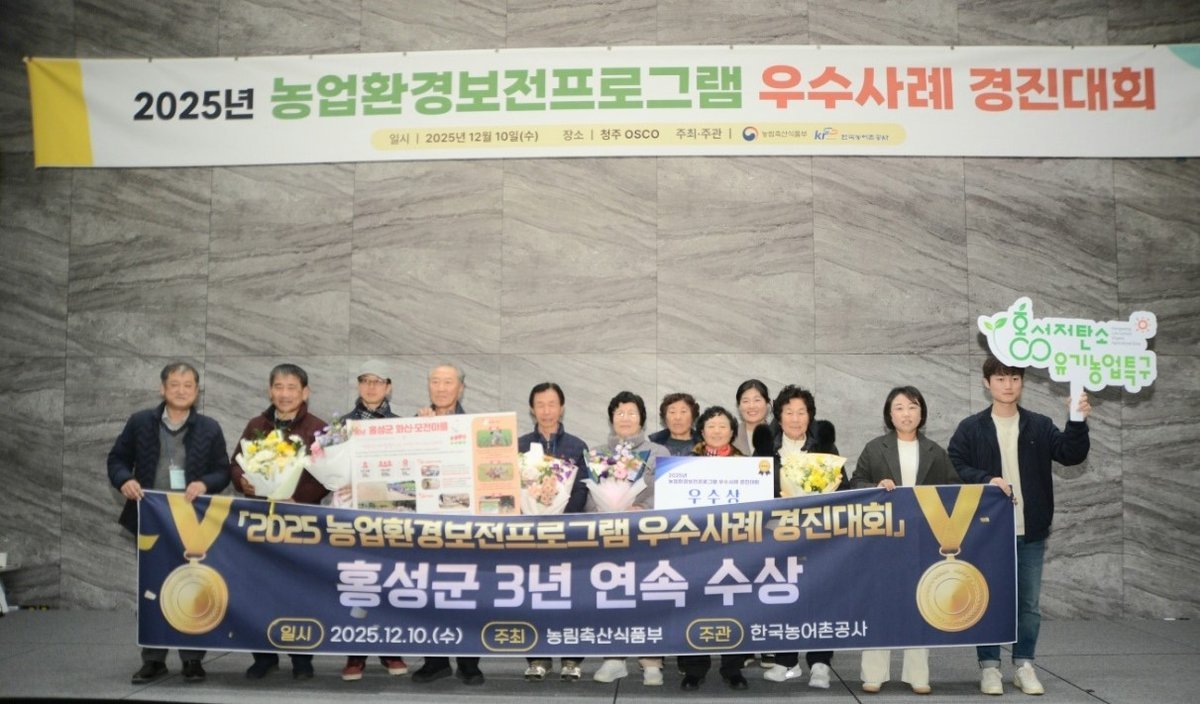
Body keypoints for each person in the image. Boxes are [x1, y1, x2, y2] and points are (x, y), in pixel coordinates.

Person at [949, 357, 1090, 696]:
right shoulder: (971, 427)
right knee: (986, 600)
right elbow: (955, 465)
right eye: (1000, 378)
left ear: (1022, 382)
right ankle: (989, 667)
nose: (1008, 385)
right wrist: (986, 479)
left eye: (1014, 378)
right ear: (987, 383)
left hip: (1030, 530)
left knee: (1028, 604)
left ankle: (1024, 664)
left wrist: (1077, 420)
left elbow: (1071, 454)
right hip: (987, 533)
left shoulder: (1039, 425)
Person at [106, 362, 230, 685]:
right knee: (152, 589)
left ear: (196, 391)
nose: (181, 390)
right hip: (151, 520)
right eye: (174, 384)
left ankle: (192, 659)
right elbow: (116, 459)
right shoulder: (140, 423)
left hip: (193, 524)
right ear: (162, 388)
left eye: (188, 385)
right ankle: (153, 659)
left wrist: (205, 483)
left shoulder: (209, 428)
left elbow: (223, 471)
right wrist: (125, 480)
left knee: (194, 588)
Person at [850, 386, 961, 695]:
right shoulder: (875, 448)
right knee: (879, 604)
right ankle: (874, 673)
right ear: (889, 414)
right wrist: (875, 486)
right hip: (882, 540)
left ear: (921, 413)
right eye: (899, 408)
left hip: (922, 540)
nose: (906, 414)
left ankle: (917, 674)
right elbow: (855, 483)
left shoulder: (935, 451)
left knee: (920, 604)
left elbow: (954, 490)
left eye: (912, 407)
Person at [230, 363, 328, 680]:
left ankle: (302, 659)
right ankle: (264, 656)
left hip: (301, 523)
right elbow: (236, 464)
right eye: (278, 387)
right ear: (270, 390)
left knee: (298, 590)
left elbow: (326, 477)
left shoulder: (318, 428)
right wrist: (243, 482)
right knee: (259, 589)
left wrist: (298, 497)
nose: (285, 394)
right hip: (260, 521)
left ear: (305, 392)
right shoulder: (256, 425)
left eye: (291, 387)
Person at [409, 362, 486, 686]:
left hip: (464, 525)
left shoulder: (476, 427)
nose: (441, 388)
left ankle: (469, 663)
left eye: (448, 382)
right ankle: (435, 661)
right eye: (435, 382)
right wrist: (422, 432)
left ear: (461, 388)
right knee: (430, 593)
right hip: (425, 527)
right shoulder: (412, 425)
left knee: (466, 593)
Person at [764, 384, 843, 689]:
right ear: (779, 417)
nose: (796, 419)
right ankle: (786, 661)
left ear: (810, 416)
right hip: (777, 538)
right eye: (789, 412)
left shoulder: (825, 450)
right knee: (782, 596)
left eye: (802, 412)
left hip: (818, 538)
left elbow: (843, 489)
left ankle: (820, 663)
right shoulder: (766, 451)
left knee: (820, 597)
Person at [336, 360, 409, 682]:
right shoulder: (340, 426)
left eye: (377, 381)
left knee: (389, 580)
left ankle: (390, 648)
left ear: (388, 387)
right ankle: (356, 654)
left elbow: (409, 479)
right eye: (365, 380)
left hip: (391, 516)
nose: (371, 387)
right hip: (354, 517)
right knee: (359, 581)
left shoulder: (402, 426)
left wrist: (380, 490)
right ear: (358, 385)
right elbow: (330, 473)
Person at [591, 391, 668, 686]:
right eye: (620, 413)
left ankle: (651, 662)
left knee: (649, 598)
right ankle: (614, 658)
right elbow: (589, 497)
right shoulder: (598, 453)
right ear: (611, 418)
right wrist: (601, 509)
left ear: (642, 419)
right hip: (610, 540)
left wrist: (642, 508)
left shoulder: (658, 451)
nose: (625, 418)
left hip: (647, 537)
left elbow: (666, 491)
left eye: (632, 413)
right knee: (612, 597)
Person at [517, 382, 589, 682]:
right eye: (540, 404)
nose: (546, 410)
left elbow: (583, 489)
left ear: (562, 407)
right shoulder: (519, 445)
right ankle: (538, 657)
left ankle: (572, 658)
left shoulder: (577, 446)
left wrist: (562, 519)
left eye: (552, 404)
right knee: (533, 596)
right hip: (529, 536)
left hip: (566, 534)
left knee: (570, 596)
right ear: (531, 409)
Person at [677, 406, 750, 691]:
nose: (717, 431)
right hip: (695, 548)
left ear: (732, 431)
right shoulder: (684, 465)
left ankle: (733, 668)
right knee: (694, 604)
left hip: (736, 547)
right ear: (701, 431)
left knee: (736, 604)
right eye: (711, 425)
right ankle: (694, 669)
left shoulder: (747, 466)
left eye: (723, 426)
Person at [732, 379, 771, 456]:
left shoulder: (778, 436)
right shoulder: (728, 437)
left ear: (767, 403)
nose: (751, 406)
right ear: (738, 406)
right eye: (746, 401)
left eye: (757, 400)